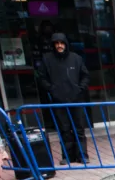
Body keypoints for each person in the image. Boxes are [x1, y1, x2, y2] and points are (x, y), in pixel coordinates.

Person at [37, 33, 89, 164]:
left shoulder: (76, 58)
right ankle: (67, 156)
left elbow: (85, 75)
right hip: (58, 100)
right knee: (64, 129)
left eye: (61, 43)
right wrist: (52, 89)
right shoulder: (47, 59)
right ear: (53, 45)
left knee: (79, 128)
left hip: (76, 99)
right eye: (56, 43)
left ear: (66, 44)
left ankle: (82, 155)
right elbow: (41, 77)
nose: (59, 46)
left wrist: (80, 88)